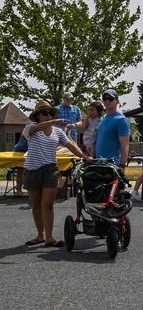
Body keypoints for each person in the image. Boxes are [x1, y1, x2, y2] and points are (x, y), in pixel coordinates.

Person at [22, 101, 89, 247]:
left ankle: (49, 237)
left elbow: (70, 145)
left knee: (48, 204)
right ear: (38, 116)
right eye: (45, 113)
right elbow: (35, 129)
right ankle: (40, 235)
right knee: (36, 203)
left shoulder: (58, 132)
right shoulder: (30, 127)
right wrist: (53, 121)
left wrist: (85, 157)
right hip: (32, 170)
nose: (48, 116)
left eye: (50, 113)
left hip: (50, 169)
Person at [95, 89, 131, 170]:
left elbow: (125, 145)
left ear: (117, 101)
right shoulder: (103, 118)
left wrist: (122, 165)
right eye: (105, 98)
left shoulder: (121, 120)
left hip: (113, 164)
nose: (107, 100)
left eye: (110, 98)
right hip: (99, 162)